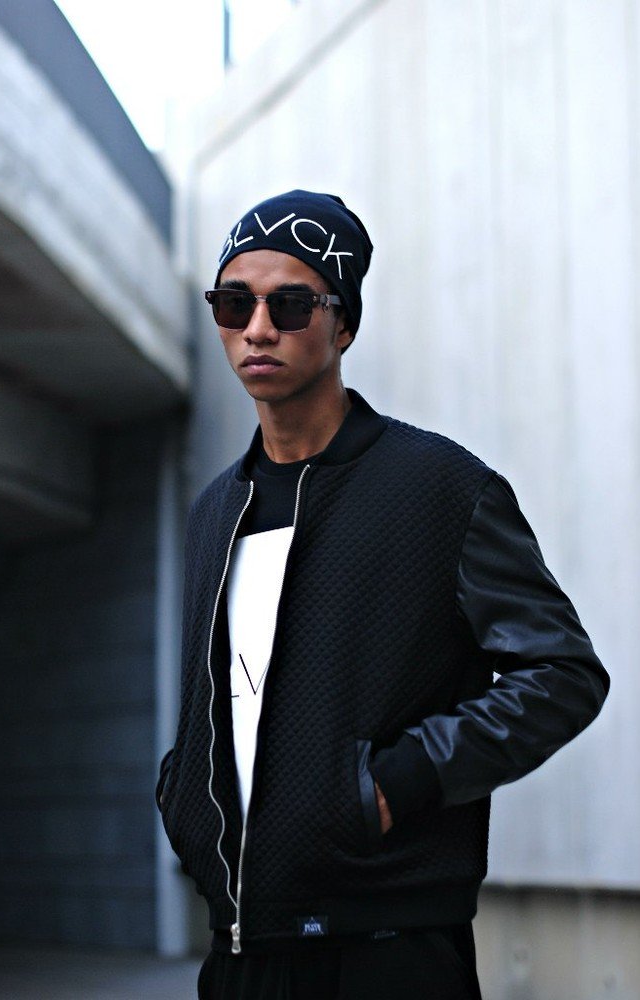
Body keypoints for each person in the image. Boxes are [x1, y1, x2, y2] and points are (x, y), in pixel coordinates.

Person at [157, 190, 609, 1000]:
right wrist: (181, 791)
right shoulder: (214, 510)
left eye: (290, 305)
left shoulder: (441, 489)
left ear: (344, 325)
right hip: (240, 950)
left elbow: (563, 674)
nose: (256, 328)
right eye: (233, 303)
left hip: (389, 950)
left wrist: (399, 783)